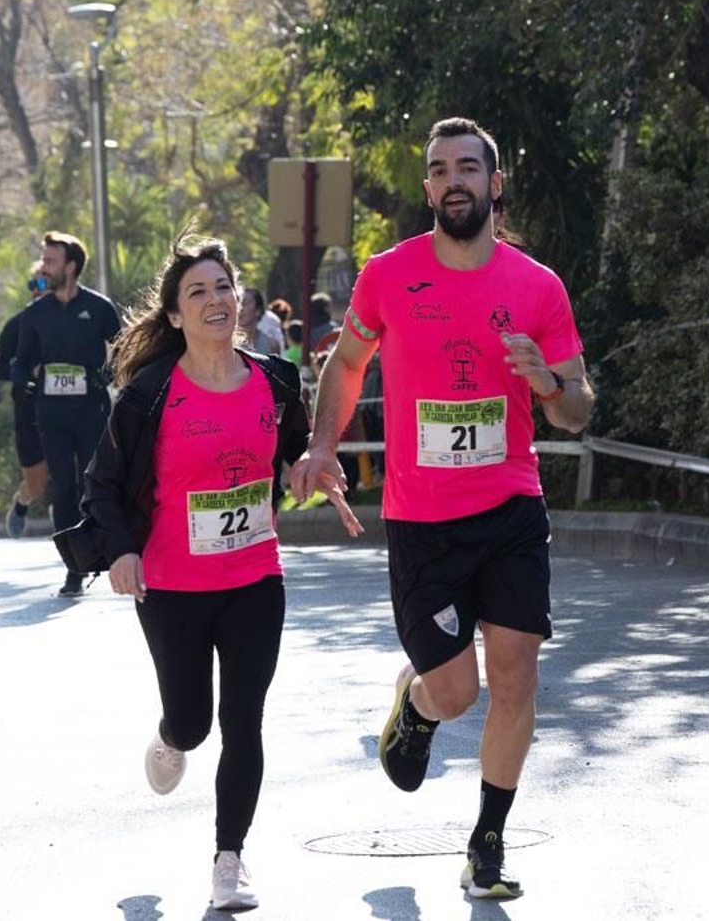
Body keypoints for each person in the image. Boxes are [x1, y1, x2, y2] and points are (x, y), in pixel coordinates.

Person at [290, 117, 594, 900]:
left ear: (496, 185)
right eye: (438, 169)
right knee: (458, 691)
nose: (452, 179)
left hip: (511, 507)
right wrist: (324, 445)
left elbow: (577, 410)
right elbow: (348, 361)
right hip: (423, 519)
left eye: (468, 166)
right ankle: (419, 704)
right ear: (427, 188)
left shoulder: (538, 287)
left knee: (517, 677)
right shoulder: (389, 275)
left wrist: (549, 382)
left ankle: (487, 840)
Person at [83, 235, 353, 912]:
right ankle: (171, 735)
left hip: (256, 577)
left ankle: (229, 859)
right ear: (174, 314)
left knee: (244, 719)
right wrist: (120, 550)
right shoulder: (148, 395)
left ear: (241, 299)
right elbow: (102, 486)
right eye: (196, 291)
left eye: (223, 287)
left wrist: (309, 468)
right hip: (171, 584)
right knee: (195, 720)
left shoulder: (275, 378)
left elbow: (294, 454)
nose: (214, 300)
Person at [12, 232, 121, 595]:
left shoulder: (100, 307)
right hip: (51, 412)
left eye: (51, 261)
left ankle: (103, 550)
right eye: (43, 260)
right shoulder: (35, 313)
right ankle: (73, 567)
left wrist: (108, 373)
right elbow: (22, 360)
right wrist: (26, 380)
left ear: (71, 267)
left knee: (92, 482)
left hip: (91, 409)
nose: (44, 266)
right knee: (64, 485)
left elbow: (122, 348)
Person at [0, 265, 50, 539]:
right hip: (29, 410)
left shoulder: (77, 317)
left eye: (45, 283)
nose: (38, 289)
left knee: (79, 473)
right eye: (35, 283)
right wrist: (25, 372)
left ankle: (67, 512)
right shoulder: (18, 324)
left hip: (73, 409)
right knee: (36, 484)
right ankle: (21, 502)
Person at [239, 287, 282, 355]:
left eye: (244, 303)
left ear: (258, 310)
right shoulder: (225, 344)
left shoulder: (271, 345)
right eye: (237, 304)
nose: (240, 308)